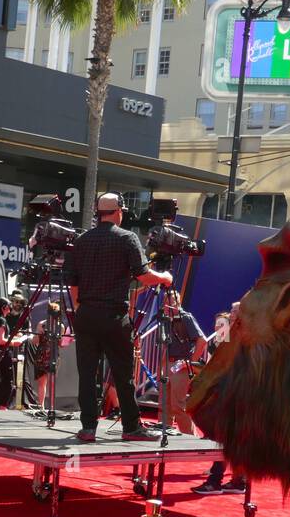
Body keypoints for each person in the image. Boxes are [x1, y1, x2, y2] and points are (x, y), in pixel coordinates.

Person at [64, 192, 172, 443]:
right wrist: (165, 277)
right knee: (123, 375)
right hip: (114, 315)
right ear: (118, 212)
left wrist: (82, 308)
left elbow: (73, 285)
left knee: (87, 374)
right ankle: (131, 426)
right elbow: (144, 276)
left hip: (87, 314)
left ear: (98, 213)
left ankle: (88, 427)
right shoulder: (127, 238)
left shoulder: (81, 241)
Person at [192, 310, 247, 494]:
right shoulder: (231, 336)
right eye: (231, 313)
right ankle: (238, 480)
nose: (230, 315)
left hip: (234, 394)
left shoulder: (245, 339)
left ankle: (216, 481)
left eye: (234, 313)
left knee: (224, 438)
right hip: (230, 393)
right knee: (231, 439)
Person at [160, 289, 206, 436]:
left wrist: (190, 363)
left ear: (177, 302)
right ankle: (164, 435)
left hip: (181, 364)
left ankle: (191, 439)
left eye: (170, 302)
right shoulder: (167, 320)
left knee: (177, 406)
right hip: (169, 363)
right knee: (164, 406)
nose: (166, 305)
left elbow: (202, 341)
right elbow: (167, 345)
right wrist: (162, 367)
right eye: (165, 302)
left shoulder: (186, 318)